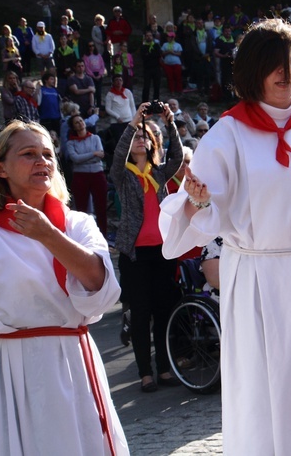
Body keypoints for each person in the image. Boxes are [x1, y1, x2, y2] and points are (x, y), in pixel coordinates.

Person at [159, 18, 291, 455]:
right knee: (272, 393)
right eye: (275, 62)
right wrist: (199, 200)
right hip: (262, 281)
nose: (287, 70)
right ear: (252, 70)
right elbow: (201, 214)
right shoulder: (227, 134)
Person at [0, 121, 129, 455]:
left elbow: (101, 287)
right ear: (0, 168)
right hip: (5, 373)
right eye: (28, 154)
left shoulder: (78, 225)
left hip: (70, 365)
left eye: (47, 154)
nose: (42, 161)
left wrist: (48, 234)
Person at [110, 102, 183, 392]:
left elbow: (177, 157)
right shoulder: (123, 174)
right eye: (138, 137)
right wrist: (133, 124)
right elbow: (116, 157)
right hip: (135, 255)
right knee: (140, 314)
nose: (142, 139)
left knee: (164, 311)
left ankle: (164, 368)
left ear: (153, 145)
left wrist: (170, 122)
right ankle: (145, 373)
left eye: (146, 137)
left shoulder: (159, 173)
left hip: (162, 252)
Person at [67, 114, 108, 239]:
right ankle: (83, 237)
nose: (80, 123)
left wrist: (87, 156)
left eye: (81, 120)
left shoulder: (95, 138)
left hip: (97, 174)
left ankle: (103, 236)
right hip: (80, 175)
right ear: (73, 127)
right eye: (77, 122)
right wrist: (93, 154)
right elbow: (75, 159)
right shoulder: (71, 143)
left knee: (101, 207)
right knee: (81, 209)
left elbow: (101, 155)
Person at [105, 74, 136, 143]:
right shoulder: (110, 95)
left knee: (130, 141)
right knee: (119, 141)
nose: (118, 82)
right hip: (116, 122)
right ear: (113, 82)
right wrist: (117, 117)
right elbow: (108, 109)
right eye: (116, 80)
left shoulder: (127, 92)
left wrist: (134, 118)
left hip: (128, 120)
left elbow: (132, 106)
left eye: (120, 80)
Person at [84, 43, 106, 108]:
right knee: (92, 92)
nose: (91, 47)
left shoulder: (98, 55)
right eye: (90, 46)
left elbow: (102, 65)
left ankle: (99, 105)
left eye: (93, 45)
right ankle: (92, 105)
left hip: (99, 74)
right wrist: (92, 75)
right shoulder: (86, 56)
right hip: (91, 75)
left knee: (99, 92)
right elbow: (86, 67)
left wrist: (100, 74)